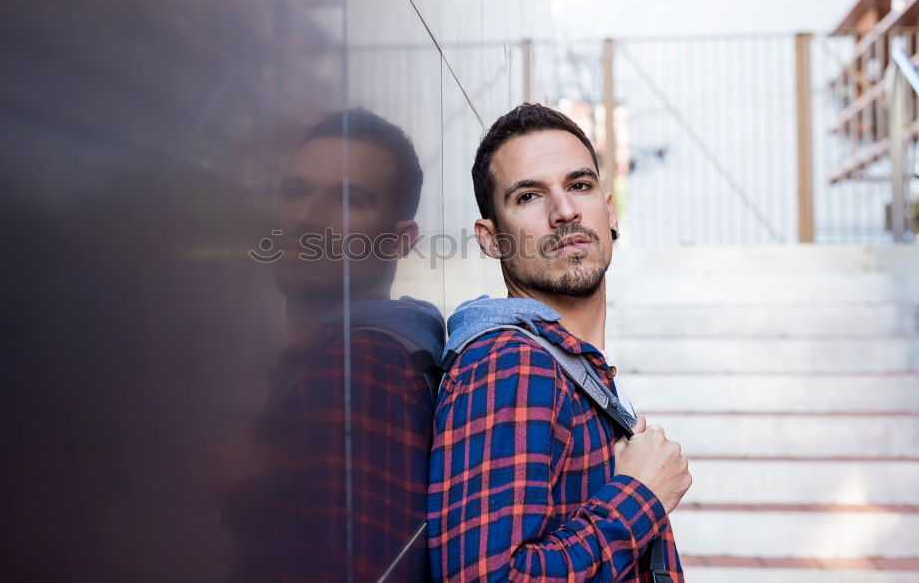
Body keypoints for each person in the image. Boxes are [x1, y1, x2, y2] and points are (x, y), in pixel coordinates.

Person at [427, 103, 691, 581]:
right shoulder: (510, 362)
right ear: (492, 240)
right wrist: (640, 497)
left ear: (609, 213)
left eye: (579, 185)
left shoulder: (567, 363)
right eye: (528, 196)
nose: (564, 210)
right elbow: (487, 577)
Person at [221, 109, 443, 581]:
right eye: (295, 191)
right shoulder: (361, 355)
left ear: (398, 242)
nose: (304, 217)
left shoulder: (359, 370)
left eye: (348, 199)